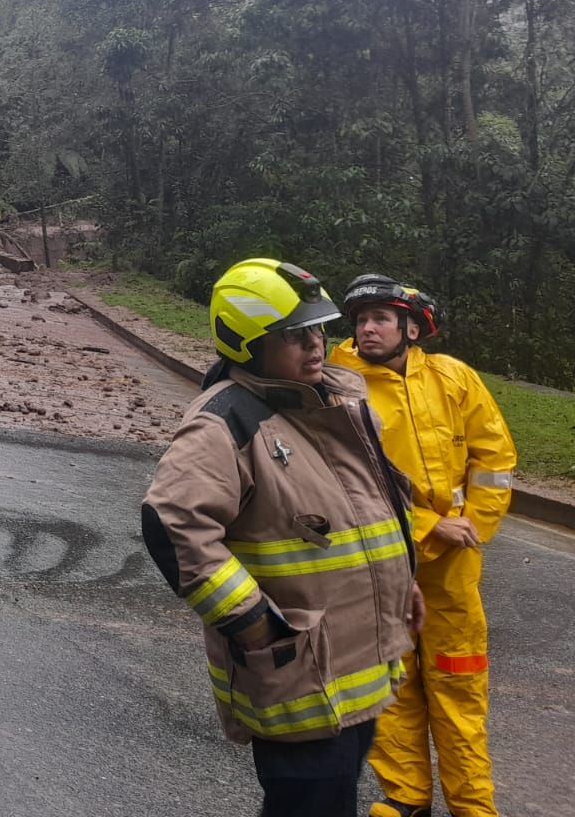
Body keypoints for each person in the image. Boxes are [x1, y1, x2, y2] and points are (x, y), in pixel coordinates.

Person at [141, 258, 424, 817]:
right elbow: (172, 524)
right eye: (294, 335)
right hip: (301, 675)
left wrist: (403, 582)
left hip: (355, 669)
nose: (316, 345)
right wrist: (255, 625)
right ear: (247, 346)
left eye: (317, 328)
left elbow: (377, 507)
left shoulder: (332, 402)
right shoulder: (225, 423)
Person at [329, 276, 516, 817]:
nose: (367, 327)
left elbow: (495, 461)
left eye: (380, 318)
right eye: (361, 318)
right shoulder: (338, 385)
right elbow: (344, 479)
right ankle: (406, 798)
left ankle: (473, 807)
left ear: (411, 328)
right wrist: (429, 525)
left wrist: (472, 528)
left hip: (452, 572)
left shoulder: (453, 377)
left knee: (459, 691)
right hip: (380, 560)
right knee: (390, 685)